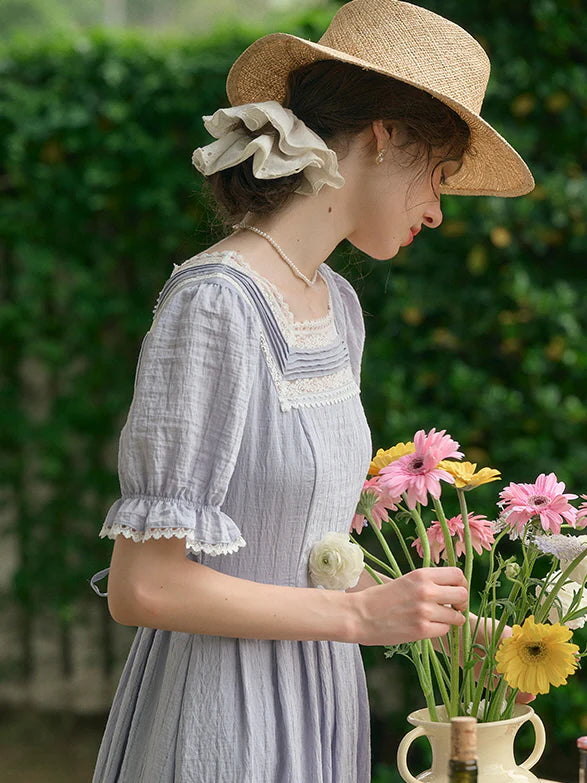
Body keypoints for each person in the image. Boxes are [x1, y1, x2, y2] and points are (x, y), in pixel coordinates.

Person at [89, 1, 534, 781]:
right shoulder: (215, 302)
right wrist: (358, 616)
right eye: (437, 175)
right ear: (382, 134)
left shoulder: (338, 305)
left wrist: (442, 624)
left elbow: (306, 553)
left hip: (321, 692)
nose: (435, 209)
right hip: (222, 709)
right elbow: (145, 583)